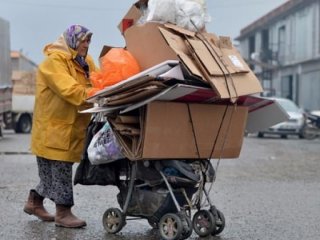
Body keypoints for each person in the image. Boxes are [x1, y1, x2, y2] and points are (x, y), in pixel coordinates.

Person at [23, 24, 98, 228]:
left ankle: (34, 202)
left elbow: (99, 80)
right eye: (83, 40)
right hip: (53, 129)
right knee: (61, 171)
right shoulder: (53, 63)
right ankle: (63, 213)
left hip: (70, 127)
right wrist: (97, 95)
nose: (86, 44)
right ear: (72, 40)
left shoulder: (85, 62)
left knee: (49, 178)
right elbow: (70, 90)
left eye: (89, 40)